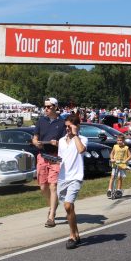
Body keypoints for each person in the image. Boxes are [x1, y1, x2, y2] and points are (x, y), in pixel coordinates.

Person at [32, 97, 66, 228]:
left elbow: (65, 142)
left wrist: (57, 143)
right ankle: (53, 204)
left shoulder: (62, 123)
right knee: (43, 187)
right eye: (45, 106)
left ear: (55, 107)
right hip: (42, 155)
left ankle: (51, 216)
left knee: (53, 186)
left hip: (55, 157)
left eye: (49, 106)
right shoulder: (41, 121)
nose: (46, 109)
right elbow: (35, 138)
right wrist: (36, 143)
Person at [57, 114, 87, 249]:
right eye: (66, 126)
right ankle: (76, 234)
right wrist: (55, 161)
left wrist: (75, 135)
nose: (67, 129)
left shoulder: (82, 139)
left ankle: (71, 236)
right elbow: (60, 158)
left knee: (68, 206)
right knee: (69, 208)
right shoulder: (61, 141)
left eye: (70, 126)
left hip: (75, 176)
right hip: (62, 177)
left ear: (76, 126)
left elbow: (81, 150)